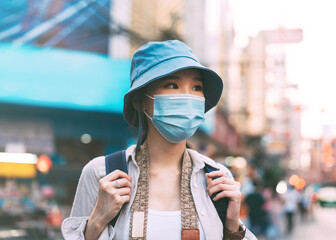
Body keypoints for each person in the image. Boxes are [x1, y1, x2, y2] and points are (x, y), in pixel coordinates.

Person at [61, 40, 257, 240]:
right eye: (173, 85)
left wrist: (233, 228)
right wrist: (97, 221)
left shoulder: (217, 179)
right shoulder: (102, 174)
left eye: (197, 87)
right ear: (139, 101)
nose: (188, 97)